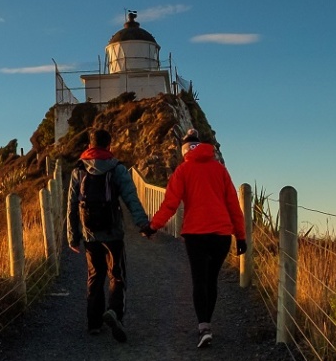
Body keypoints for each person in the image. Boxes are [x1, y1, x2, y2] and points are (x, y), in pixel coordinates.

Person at [147, 129, 246, 348]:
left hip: (196, 234)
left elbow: (170, 204)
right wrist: (241, 237)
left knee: (199, 280)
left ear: (184, 150)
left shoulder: (183, 170)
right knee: (211, 280)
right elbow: (233, 205)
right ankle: (207, 323)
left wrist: (153, 226)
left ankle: (204, 327)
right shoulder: (220, 170)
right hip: (221, 235)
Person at [67, 129, 155, 343]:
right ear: (109, 145)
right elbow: (131, 198)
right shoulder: (117, 168)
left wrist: (73, 236)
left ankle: (94, 324)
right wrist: (143, 224)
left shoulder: (79, 170)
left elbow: (71, 205)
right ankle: (115, 313)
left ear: (90, 145)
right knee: (117, 275)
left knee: (95, 276)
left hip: (90, 235)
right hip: (113, 233)